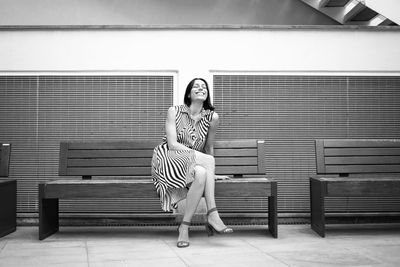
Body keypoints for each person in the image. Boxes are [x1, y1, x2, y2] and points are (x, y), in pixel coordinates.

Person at [151, 78, 233, 248]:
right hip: (168, 158)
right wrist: (208, 162)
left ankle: (184, 227)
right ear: (189, 93)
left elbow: (209, 146)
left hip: (192, 162)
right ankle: (213, 214)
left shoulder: (212, 118)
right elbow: (172, 144)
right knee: (207, 162)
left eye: (204, 87)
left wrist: (211, 173)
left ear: (207, 94)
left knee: (202, 173)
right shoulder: (174, 111)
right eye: (196, 86)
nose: (201, 88)